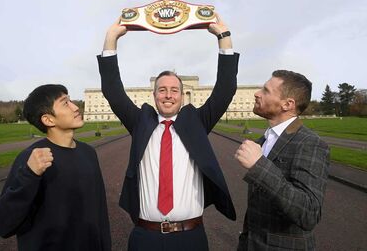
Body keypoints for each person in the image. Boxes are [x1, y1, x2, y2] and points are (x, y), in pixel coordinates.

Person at [97, 15, 238, 251]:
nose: (168, 95)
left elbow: (224, 90)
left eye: (174, 90)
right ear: (154, 96)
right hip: (145, 235)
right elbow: (113, 91)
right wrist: (111, 39)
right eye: (162, 90)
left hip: (190, 236)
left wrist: (224, 38)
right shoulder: (141, 122)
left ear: (182, 96)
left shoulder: (196, 123)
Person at [0, 84, 111, 251]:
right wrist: (29, 175)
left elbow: (99, 212)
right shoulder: (30, 157)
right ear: (48, 119)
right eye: (65, 103)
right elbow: (3, 224)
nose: (76, 107)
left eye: (71, 101)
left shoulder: (89, 152)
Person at [235, 70, 330, 250]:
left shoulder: (310, 143)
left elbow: (309, 213)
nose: (256, 93)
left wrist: (259, 165)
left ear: (287, 104)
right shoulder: (263, 140)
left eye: (265, 91)